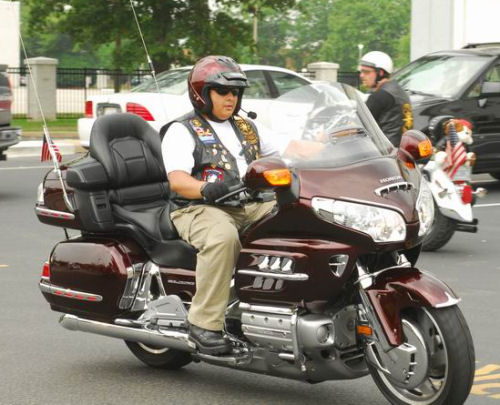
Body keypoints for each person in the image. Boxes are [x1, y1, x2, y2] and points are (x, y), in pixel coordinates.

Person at [160, 55, 277, 356]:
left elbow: (291, 149)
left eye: (236, 92)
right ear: (202, 93)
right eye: (223, 91)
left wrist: (333, 145)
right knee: (223, 238)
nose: (231, 98)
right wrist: (207, 188)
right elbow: (177, 180)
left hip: (249, 204)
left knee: (300, 217)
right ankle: (203, 324)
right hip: (197, 208)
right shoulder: (182, 129)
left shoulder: (247, 126)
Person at [359, 51, 413, 146]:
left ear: (380, 73)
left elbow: (360, 125)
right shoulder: (400, 91)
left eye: (366, 72)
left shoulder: (379, 97)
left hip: (385, 151)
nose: (361, 75)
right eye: (361, 71)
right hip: (404, 150)